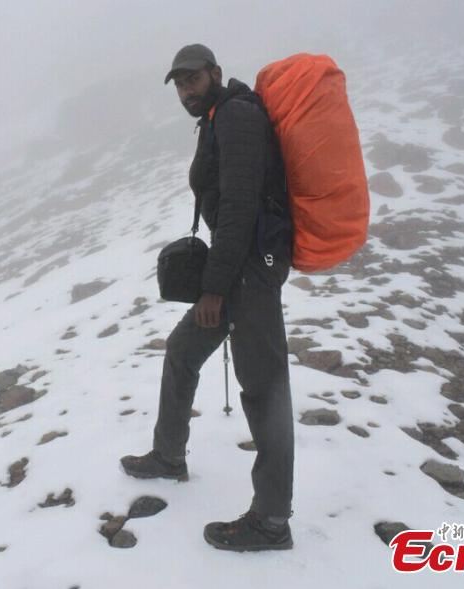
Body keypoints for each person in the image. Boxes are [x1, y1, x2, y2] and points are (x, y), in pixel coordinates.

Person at [120, 43, 296, 552]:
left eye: (192, 79)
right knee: (182, 351)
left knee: (264, 390)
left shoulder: (237, 116)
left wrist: (215, 288)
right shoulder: (217, 117)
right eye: (178, 84)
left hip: (250, 273)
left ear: (215, 74)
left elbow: (240, 207)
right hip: (234, 267)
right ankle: (169, 457)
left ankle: (271, 521)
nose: (185, 90)